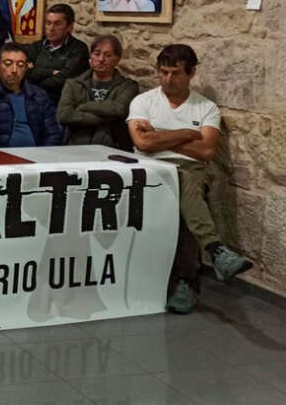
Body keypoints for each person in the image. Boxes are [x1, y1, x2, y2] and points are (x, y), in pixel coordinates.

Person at [126, 44, 252, 313]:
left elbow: (206, 151)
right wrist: (186, 133)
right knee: (182, 185)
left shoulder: (205, 108)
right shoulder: (144, 101)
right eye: (163, 73)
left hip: (191, 168)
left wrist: (159, 135)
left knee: (184, 184)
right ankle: (216, 250)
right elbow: (141, 142)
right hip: (147, 166)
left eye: (175, 73)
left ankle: (187, 279)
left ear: (191, 73)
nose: (168, 80)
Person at [0, 42, 62, 147]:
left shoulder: (39, 95)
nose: (14, 70)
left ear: (26, 68)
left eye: (20, 65)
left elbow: (54, 133)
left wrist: (43, 155)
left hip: (37, 157)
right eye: (8, 64)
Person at [58, 34, 138, 149]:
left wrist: (84, 106)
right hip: (77, 145)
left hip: (113, 147)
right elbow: (64, 115)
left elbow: (119, 109)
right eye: (96, 54)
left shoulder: (128, 86)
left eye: (108, 55)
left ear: (117, 59)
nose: (101, 59)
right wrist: (107, 117)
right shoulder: (73, 84)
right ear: (90, 56)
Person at [26, 3, 89, 103]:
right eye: (48, 23)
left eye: (57, 24)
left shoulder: (79, 49)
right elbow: (23, 72)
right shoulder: (36, 47)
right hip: (33, 100)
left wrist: (34, 79)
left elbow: (65, 79)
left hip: (61, 103)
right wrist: (50, 72)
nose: (51, 28)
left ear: (69, 27)